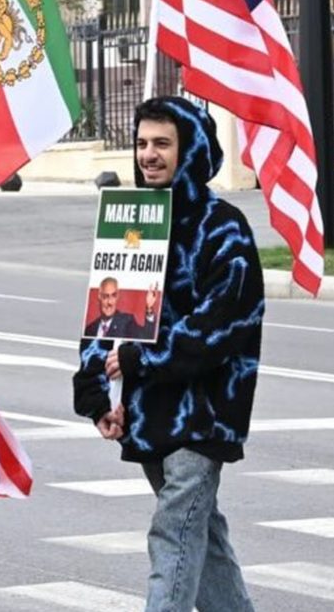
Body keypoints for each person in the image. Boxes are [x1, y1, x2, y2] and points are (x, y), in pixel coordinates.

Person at [73, 96, 264, 612]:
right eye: (141, 144)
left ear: (192, 149)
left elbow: (223, 326)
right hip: (149, 410)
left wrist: (142, 361)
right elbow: (108, 310)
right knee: (205, 539)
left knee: (174, 533)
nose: (149, 155)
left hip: (205, 412)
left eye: (162, 143)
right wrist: (96, 392)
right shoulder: (134, 220)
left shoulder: (223, 227)